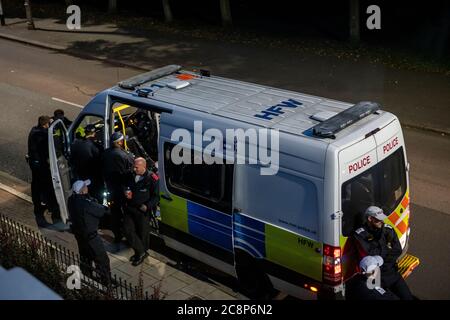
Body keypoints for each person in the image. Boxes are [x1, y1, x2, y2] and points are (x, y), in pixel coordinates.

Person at [353, 206, 414, 300]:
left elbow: (397, 249)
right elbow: (370, 256)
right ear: (370, 219)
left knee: (408, 297)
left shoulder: (387, 229)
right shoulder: (360, 235)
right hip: (375, 278)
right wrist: (386, 255)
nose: (382, 222)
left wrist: (383, 262)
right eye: (378, 220)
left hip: (392, 273)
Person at [67, 179, 111, 283]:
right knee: (102, 259)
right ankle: (106, 282)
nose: (87, 188)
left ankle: (87, 276)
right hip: (91, 237)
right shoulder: (87, 204)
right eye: (85, 187)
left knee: (85, 257)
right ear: (82, 191)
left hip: (79, 235)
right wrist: (105, 205)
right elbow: (102, 211)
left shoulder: (71, 200)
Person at [123, 157, 159, 266]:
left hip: (142, 210)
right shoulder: (130, 174)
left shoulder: (152, 178)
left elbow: (156, 196)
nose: (134, 169)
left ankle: (141, 252)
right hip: (130, 207)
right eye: (134, 167)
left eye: (136, 167)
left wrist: (147, 206)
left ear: (144, 166)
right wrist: (125, 191)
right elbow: (125, 185)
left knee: (143, 233)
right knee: (127, 230)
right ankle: (141, 252)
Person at [102, 132, 134, 249]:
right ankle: (130, 238)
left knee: (114, 213)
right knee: (127, 214)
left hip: (111, 188)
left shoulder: (105, 153)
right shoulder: (125, 155)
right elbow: (131, 170)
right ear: (120, 142)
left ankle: (117, 236)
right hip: (123, 189)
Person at [27, 115, 60, 227]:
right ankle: (52, 209)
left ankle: (38, 205)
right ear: (45, 125)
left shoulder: (34, 130)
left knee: (36, 184)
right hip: (40, 165)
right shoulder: (43, 135)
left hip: (34, 162)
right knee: (47, 185)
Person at [70, 124, 103, 201]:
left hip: (80, 174)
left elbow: (72, 158)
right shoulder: (95, 145)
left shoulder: (76, 143)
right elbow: (99, 159)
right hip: (93, 175)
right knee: (96, 193)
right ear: (94, 133)